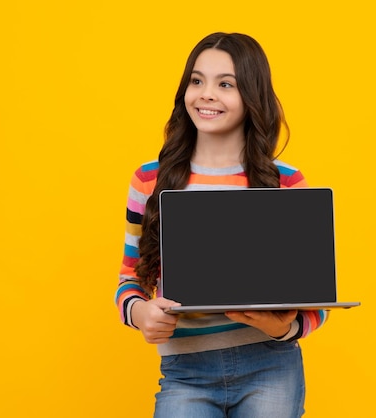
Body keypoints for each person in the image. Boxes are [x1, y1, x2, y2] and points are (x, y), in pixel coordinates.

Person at [115, 32, 329, 418]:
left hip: (272, 367)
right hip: (185, 374)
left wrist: (283, 328)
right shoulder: (150, 179)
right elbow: (129, 279)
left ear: (252, 97)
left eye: (225, 84)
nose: (206, 94)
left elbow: (318, 297)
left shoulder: (286, 183)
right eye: (196, 81)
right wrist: (140, 314)